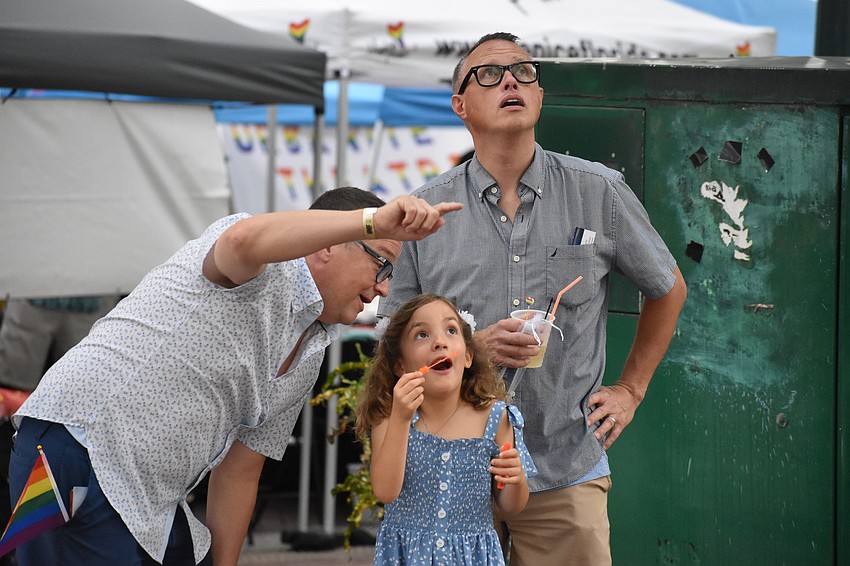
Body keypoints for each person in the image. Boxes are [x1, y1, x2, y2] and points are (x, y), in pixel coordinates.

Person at [8, 186, 462, 566]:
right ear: (328, 244)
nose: (384, 286)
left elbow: (241, 471)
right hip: (79, 444)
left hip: (146, 496)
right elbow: (244, 241)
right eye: (381, 262)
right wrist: (373, 221)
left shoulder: (312, 350)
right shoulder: (267, 260)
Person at [378, 32, 688, 566]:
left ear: (540, 96)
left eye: (523, 72)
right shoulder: (427, 211)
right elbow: (391, 339)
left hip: (564, 464)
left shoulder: (598, 191)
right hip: (450, 471)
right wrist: (470, 347)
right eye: (489, 74)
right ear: (460, 105)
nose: (510, 82)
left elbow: (667, 287)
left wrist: (630, 390)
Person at [356, 293, 535, 565]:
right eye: (422, 335)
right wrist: (401, 419)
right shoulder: (389, 415)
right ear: (400, 365)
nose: (440, 342)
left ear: (468, 356)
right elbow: (385, 491)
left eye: (451, 330)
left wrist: (516, 479)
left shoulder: (496, 417)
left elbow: (510, 507)